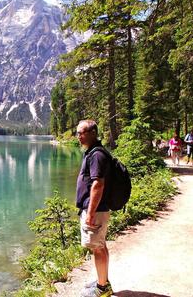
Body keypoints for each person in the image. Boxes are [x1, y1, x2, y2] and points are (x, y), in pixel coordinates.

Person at [76, 120, 113, 297]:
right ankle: (103, 281)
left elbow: (98, 184)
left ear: (92, 133)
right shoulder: (92, 152)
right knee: (100, 245)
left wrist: (90, 213)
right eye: (77, 133)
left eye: (81, 133)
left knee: (97, 248)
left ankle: (102, 289)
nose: (78, 136)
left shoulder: (97, 155)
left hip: (96, 210)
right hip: (97, 209)